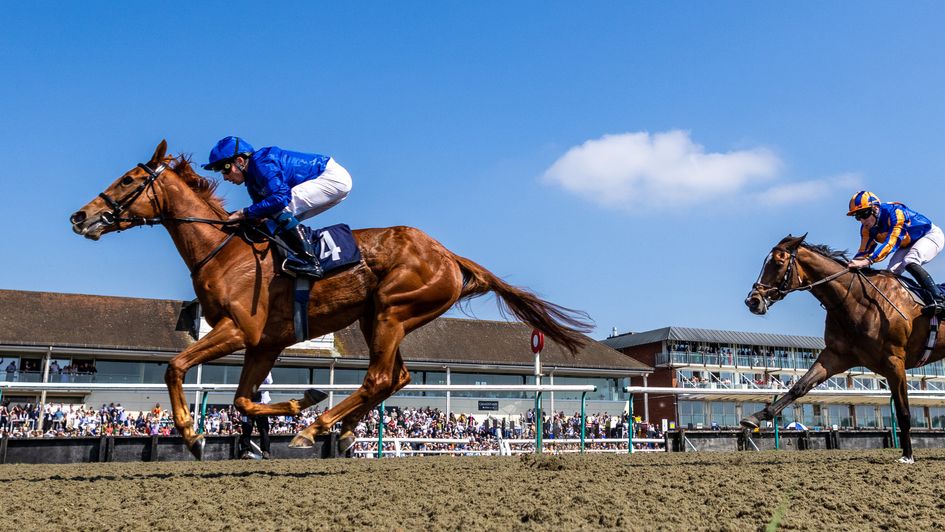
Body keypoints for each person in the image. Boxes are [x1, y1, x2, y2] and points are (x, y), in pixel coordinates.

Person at [202, 136, 353, 278]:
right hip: (333, 182)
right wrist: (245, 217)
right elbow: (261, 211)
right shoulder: (252, 181)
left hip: (332, 178)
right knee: (272, 221)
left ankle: (311, 262)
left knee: (280, 210)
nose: (225, 177)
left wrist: (244, 213)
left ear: (240, 161)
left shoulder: (262, 163)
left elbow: (280, 199)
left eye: (225, 169)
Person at [846, 190, 945, 315]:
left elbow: (891, 243)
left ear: (875, 208)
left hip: (929, 235)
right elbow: (863, 251)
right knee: (890, 274)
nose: (862, 220)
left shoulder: (895, 213)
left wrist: (868, 261)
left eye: (864, 214)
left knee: (910, 261)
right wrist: (849, 265)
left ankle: (939, 300)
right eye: (857, 217)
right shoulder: (866, 229)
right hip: (907, 243)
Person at [239, 372, 273, 460]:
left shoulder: (266, 370)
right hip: (248, 406)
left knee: (264, 430)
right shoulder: (249, 370)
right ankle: (245, 451)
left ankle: (266, 451)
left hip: (261, 406)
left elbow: (269, 382)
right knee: (246, 429)